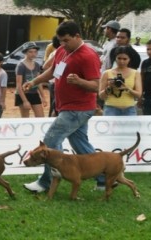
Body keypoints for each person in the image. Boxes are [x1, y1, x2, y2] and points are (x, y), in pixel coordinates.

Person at [22, 21, 101, 193]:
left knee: (50, 142)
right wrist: (34, 82)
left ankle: (46, 182)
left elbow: (96, 85)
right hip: (68, 107)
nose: (63, 44)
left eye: (66, 40)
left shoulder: (88, 55)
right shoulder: (61, 50)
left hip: (78, 109)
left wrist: (79, 81)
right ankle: (104, 177)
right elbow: (52, 72)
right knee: (80, 144)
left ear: (77, 36)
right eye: (60, 41)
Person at [99, 46, 142, 116]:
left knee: (131, 127)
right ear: (115, 58)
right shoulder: (106, 73)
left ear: (129, 59)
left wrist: (127, 88)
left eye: (125, 59)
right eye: (119, 58)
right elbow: (101, 96)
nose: (121, 61)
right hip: (111, 108)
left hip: (129, 109)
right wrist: (109, 87)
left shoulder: (135, 73)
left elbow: (138, 94)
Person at [15, 42, 46, 118]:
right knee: (25, 119)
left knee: (40, 118)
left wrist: (43, 97)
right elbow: (18, 85)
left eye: (35, 52)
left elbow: (39, 82)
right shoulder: (21, 66)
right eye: (30, 52)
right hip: (23, 94)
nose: (33, 54)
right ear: (25, 52)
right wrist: (25, 101)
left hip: (34, 93)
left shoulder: (37, 65)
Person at [139, 39, 151, 115]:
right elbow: (141, 80)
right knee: (147, 121)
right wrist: (140, 97)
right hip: (147, 96)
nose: (149, 52)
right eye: (148, 49)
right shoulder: (145, 63)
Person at [42, 36, 60, 117]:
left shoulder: (56, 52)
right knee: (56, 106)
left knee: (54, 105)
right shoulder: (58, 52)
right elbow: (45, 66)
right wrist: (58, 74)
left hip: (54, 83)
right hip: (56, 83)